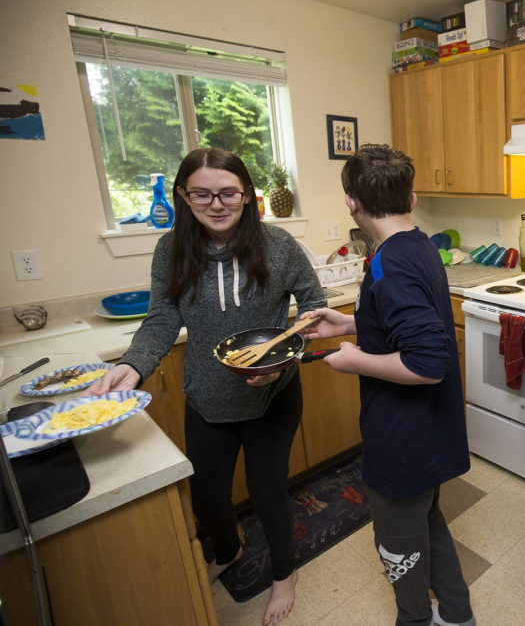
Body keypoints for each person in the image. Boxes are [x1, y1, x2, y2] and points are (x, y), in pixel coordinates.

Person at [88, 147, 324, 626]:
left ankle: (284, 572)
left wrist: (282, 361)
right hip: (206, 395)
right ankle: (229, 550)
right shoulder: (171, 250)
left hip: (271, 394)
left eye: (228, 193)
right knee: (207, 494)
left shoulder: (279, 246)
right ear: (183, 195)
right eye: (202, 195)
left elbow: (314, 309)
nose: (217, 204)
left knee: (267, 489)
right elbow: (161, 318)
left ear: (248, 195)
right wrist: (134, 365)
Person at [298, 143, 475, 626]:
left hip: (402, 437)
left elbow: (427, 362)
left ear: (351, 203)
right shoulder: (417, 245)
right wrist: (349, 323)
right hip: (432, 430)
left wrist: (356, 362)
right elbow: (402, 322)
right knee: (428, 521)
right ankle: (457, 616)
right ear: (412, 198)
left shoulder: (388, 263)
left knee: (398, 545)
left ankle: (414, 619)